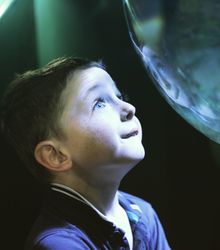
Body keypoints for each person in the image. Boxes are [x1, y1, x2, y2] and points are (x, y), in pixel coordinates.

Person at [0, 57, 171, 250]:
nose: (129, 109)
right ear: (55, 155)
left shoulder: (143, 214)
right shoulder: (58, 245)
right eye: (99, 103)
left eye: (119, 97)